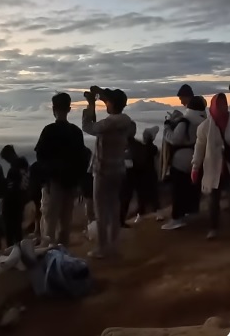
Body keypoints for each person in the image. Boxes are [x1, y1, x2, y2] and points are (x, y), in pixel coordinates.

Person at [82, 86, 133, 259]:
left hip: (103, 171)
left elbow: (88, 127)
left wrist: (91, 104)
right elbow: (111, 110)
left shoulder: (109, 123)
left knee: (101, 210)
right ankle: (113, 246)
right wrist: (103, 96)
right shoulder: (125, 122)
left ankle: (102, 247)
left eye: (108, 102)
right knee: (113, 208)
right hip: (118, 170)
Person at [35, 92, 88, 247]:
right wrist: (78, 183)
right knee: (65, 223)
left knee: (49, 223)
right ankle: (62, 255)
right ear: (69, 109)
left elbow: (41, 158)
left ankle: (47, 256)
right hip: (70, 183)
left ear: (53, 109)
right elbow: (82, 160)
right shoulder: (76, 132)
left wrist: (45, 181)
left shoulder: (49, 131)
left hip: (54, 183)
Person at [161, 96, 208, 230]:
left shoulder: (185, 121)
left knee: (178, 190)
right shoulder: (204, 121)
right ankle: (190, 211)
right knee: (191, 188)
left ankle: (177, 218)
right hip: (197, 159)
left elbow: (175, 139)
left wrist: (167, 128)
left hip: (180, 161)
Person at [192, 93, 230, 240]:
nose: (223, 107)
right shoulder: (205, 127)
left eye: (224, 103)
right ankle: (213, 228)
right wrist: (195, 167)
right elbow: (199, 148)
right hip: (214, 168)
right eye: (219, 104)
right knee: (214, 199)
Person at [0, 145, 29, 247]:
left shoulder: (14, 169)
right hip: (20, 200)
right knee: (17, 229)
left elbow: (10, 187)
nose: (7, 161)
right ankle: (19, 250)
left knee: (9, 230)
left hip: (12, 201)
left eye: (6, 158)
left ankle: (12, 251)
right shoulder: (24, 166)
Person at [134, 126, 163, 222]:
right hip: (151, 173)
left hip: (142, 173)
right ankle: (158, 213)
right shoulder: (154, 148)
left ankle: (140, 214)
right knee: (153, 194)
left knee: (142, 195)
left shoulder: (141, 148)